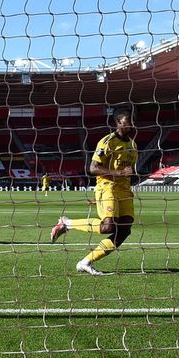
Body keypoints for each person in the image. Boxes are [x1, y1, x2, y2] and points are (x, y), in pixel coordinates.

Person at [50, 108, 137, 276]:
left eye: (132, 120)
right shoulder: (107, 142)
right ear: (118, 122)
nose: (131, 123)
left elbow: (128, 171)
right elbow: (93, 168)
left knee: (124, 229)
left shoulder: (133, 145)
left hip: (124, 191)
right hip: (107, 186)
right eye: (127, 120)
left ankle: (85, 262)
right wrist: (118, 175)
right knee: (108, 227)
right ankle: (67, 223)